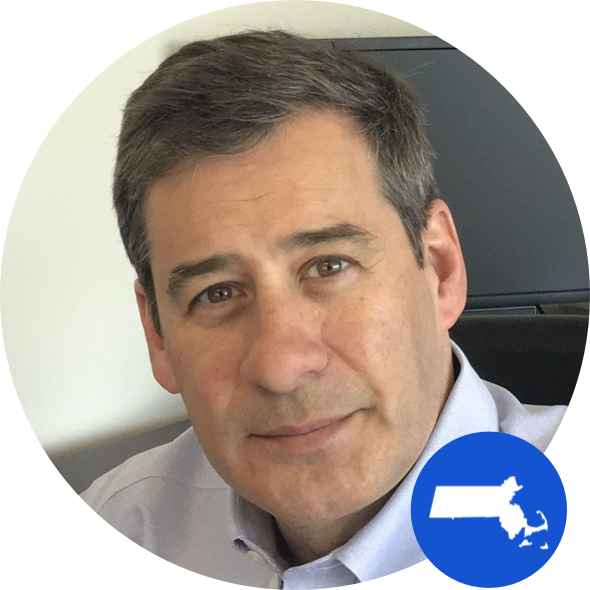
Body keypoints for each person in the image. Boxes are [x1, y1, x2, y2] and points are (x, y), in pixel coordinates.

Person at [81, 30, 567, 585]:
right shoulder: (127, 519)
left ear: (441, 269)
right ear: (158, 335)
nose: (281, 367)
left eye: (329, 266)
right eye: (216, 292)